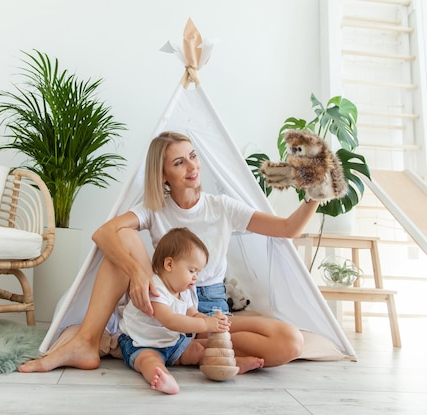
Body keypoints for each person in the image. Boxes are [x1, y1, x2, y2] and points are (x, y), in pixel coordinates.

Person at [19, 131, 320, 373]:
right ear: (163, 175)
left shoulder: (222, 207)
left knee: (291, 341)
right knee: (121, 241)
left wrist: (314, 197)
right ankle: (86, 342)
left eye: (192, 157)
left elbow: (287, 229)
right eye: (179, 163)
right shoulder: (155, 208)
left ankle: (202, 350)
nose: (192, 167)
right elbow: (104, 233)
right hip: (165, 305)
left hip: (209, 309)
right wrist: (138, 272)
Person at [117, 226, 229, 394]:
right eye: (192, 270)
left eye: (197, 272)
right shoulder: (155, 288)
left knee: (198, 350)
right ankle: (164, 378)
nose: (195, 277)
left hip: (171, 343)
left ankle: (226, 365)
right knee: (149, 361)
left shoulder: (184, 292)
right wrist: (205, 325)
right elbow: (170, 321)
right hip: (141, 343)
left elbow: (193, 314)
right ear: (169, 264)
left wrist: (210, 321)